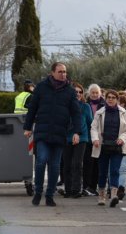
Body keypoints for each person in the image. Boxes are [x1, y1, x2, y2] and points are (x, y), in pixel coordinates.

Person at [23, 62, 82, 207]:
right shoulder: (42, 87)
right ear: (52, 73)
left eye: (65, 72)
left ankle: (49, 195)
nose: (63, 74)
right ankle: (38, 193)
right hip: (43, 132)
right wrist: (28, 127)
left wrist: (76, 132)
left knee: (55, 165)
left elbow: (76, 113)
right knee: (41, 160)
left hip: (60, 133)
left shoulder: (69, 91)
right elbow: (32, 108)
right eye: (60, 71)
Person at [90, 89, 126, 207]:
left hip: (117, 147)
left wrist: (122, 139)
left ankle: (113, 195)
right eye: (109, 97)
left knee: (115, 171)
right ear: (105, 98)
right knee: (102, 172)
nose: (111, 99)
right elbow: (93, 128)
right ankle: (101, 195)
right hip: (102, 146)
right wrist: (95, 139)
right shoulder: (100, 112)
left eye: (113, 98)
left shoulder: (123, 113)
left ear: (117, 100)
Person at [62, 82, 93, 199]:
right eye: (76, 92)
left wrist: (91, 138)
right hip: (67, 137)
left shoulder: (86, 107)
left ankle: (76, 189)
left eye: (80, 92)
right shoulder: (65, 107)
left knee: (77, 163)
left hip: (82, 137)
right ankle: (68, 189)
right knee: (67, 164)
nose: (78, 94)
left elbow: (90, 122)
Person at [82, 84, 105, 196]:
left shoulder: (104, 105)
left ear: (100, 93)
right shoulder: (85, 104)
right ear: (89, 93)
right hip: (87, 136)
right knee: (87, 162)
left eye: (97, 93)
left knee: (97, 163)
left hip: (99, 137)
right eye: (92, 93)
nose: (95, 95)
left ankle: (93, 186)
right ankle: (85, 185)